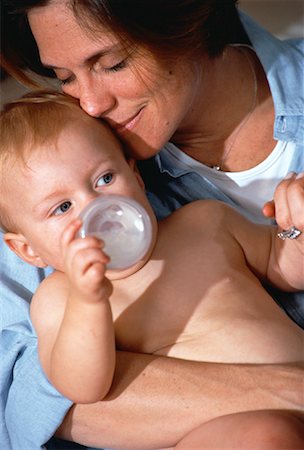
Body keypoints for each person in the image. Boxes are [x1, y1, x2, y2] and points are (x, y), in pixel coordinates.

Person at [0, 1, 303, 449]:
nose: (90, 102)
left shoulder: (204, 223)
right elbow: (45, 396)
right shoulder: (58, 291)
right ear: (24, 248)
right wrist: (88, 303)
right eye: (65, 78)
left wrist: (295, 232)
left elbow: (284, 265)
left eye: (113, 63)